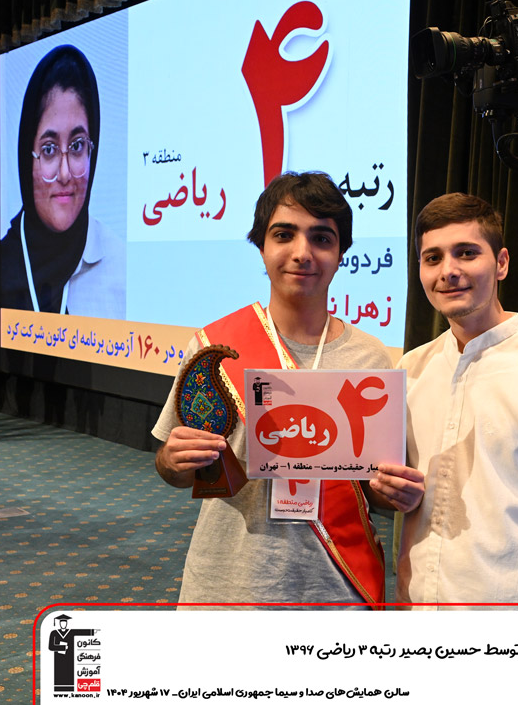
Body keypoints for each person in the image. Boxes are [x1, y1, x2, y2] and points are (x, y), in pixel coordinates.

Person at [152, 171, 396, 609]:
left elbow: (374, 490)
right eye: (284, 235)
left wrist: (394, 493)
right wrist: (172, 460)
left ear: (341, 254)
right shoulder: (213, 348)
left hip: (334, 591)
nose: (302, 252)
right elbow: (173, 470)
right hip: (228, 586)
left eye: (321, 238)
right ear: (261, 247)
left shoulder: (371, 359)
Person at [369, 193, 518, 607]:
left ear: (501, 263)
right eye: (433, 258)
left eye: (466, 253)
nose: (449, 271)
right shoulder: (410, 370)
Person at [0, 44, 124, 318]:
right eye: (48, 150)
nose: (65, 174)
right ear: (27, 159)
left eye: (78, 146)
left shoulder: (121, 267)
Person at [48, 614, 95, 692]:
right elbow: (50, 647)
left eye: (65, 623)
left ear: (66, 624)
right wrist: (62, 647)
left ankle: (69, 688)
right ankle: (59, 688)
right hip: (59, 657)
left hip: (69, 656)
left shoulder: (70, 632)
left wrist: (92, 631)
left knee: (69, 672)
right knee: (59, 672)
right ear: (59, 624)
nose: (63, 625)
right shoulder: (54, 633)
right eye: (62, 623)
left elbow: (81, 632)